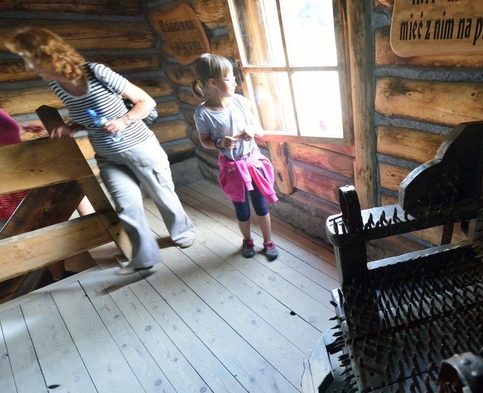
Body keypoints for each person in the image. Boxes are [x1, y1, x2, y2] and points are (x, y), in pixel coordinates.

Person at [5, 27, 196, 275]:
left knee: (162, 194)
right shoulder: (57, 85)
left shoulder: (95, 71)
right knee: (126, 207)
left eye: (28, 57)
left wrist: (122, 121)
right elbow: (87, 117)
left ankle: (183, 233)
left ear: (46, 53)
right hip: (107, 155)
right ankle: (144, 258)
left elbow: (146, 101)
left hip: (140, 146)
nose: (29, 66)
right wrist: (71, 127)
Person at [191, 53, 279, 260]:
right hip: (232, 169)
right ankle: (247, 240)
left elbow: (258, 128)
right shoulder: (203, 114)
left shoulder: (240, 102)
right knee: (241, 208)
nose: (235, 81)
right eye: (230, 78)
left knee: (261, 205)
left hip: (253, 164)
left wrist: (250, 128)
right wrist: (220, 143)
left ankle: (268, 241)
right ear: (213, 83)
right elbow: (205, 141)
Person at [0, 108, 94, 281]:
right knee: (37, 222)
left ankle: (92, 233)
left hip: (22, 172)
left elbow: (5, 134)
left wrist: (23, 127)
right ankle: (57, 275)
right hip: (9, 182)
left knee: (65, 182)